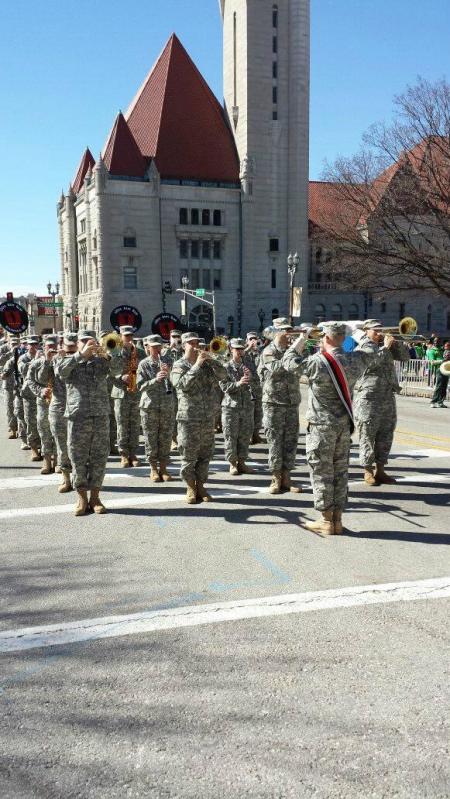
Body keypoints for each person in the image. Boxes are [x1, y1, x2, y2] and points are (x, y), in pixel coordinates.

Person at [282, 322, 397, 535]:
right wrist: (357, 332)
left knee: (322, 473)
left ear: (325, 338)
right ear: (343, 339)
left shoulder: (317, 362)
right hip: (343, 426)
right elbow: (371, 348)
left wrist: (302, 338)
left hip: (321, 428)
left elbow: (288, 361)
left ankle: (326, 520)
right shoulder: (354, 359)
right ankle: (337, 520)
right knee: (340, 472)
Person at [56, 331, 111, 515]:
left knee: (99, 457)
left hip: (100, 416)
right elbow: (61, 372)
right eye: (84, 341)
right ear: (77, 343)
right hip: (78, 416)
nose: (88, 344)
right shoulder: (68, 360)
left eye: (91, 341)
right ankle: (81, 497)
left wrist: (112, 354)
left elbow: (119, 370)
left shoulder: (102, 361)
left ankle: (95, 498)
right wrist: (81, 355)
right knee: (78, 457)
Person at [171, 331, 227, 504]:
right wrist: (196, 365)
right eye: (191, 343)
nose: (195, 346)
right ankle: (190, 486)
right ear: (184, 345)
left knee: (205, 455)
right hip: (188, 417)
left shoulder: (207, 365)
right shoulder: (179, 365)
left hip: (207, 416)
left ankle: (201, 485)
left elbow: (224, 376)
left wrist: (212, 360)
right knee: (188, 454)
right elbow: (182, 385)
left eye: (197, 343)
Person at [353, 319, 410, 485]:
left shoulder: (385, 346)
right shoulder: (363, 346)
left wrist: (397, 344)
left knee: (385, 434)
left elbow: (406, 358)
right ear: (366, 331)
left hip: (386, 396)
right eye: (375, 330)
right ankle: (367, 471)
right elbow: (371, 363)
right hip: (368, 398)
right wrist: (385, 347)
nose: (379, 333)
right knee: (367, 434)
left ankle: (381, 470)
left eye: (381, 330)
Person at [257, 317, 302, 494]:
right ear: (276, 332)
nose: (289, 333)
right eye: (285, 330)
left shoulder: (294, 351)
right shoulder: (268, 351)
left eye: (290, 330)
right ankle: (275, 478)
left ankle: (287, 476)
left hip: (291, 402)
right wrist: (293, 351)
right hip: (273, 402)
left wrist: (296, 351)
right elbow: (278, 368)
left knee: (290, 441)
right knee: (275, 442)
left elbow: (299, 369)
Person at [34, 332, 77, 492]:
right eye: (68, 347)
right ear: (62, 346)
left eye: (74, 347)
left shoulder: (82, 360)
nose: (70, 350)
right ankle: (66, 479)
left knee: (79, 446)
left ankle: (80, 479)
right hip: (59, 408)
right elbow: (42, 379)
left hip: (79, 409)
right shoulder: (55, 360)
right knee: (62, 445)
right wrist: (47, 361)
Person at [136, 334, 175, 482]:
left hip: (166, 405)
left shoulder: (169, 361)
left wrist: (169, 374)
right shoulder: (144, 364)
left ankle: (164, 469)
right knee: (151, 438)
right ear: (148, 347)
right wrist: (155, 380)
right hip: (150, 407)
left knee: (165, 438)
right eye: (154, 347)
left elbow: (177, 383)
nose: (157, 349)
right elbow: (140, 386)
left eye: (159, 346)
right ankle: (153, 469)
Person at [110, 325, 144, 467]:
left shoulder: (140, 352)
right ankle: (123, 454)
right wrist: (120, 376)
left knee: (135, 425)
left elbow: (146, 368)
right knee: (122, 425)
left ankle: (133, 454)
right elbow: (107, 372)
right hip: (120, 393)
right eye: (126, 336)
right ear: (120, 336)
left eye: (131, 336)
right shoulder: (114, 352)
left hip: (135, 392)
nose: (129, 338)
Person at [220, 338, 255, 475]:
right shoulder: (225, 367)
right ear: (231, 349)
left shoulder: (249, 365)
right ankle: (232, 463)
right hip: (231, 407)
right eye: (237, 349)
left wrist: (251, 377)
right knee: (231, 435)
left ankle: (242, 462)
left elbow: (259, 383)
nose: (240, 351)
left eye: (241, 349)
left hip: (246, 405)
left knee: (245, 435)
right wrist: (238, 384)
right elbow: (223, 386)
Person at [27, 336, 58, 475]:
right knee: (44, 430)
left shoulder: (62, 361)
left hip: (59, 402)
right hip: (44, 402)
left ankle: (58, 460)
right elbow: (32, 381)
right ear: (43, 347)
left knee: (59, 431)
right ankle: (47, 459)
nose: (51, 348)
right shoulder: (36, 363)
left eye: (53, 345)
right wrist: (40, 391)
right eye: (48, 346)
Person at [18, 336, 42, 461]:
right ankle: (34, 448)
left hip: (42, 393)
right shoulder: (23, 358)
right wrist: (36, 361)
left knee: (43, 423)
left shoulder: (43, 356)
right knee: (31, 422)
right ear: (27, 345)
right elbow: (23, 370)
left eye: (35, 344)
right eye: (30, 344)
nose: (33, 346)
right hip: (29, 395)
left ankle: (44, 448)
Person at [162, 330, 183, 450]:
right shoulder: (166, 351)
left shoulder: (184, 351)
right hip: (170, 387)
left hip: (181, 386)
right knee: (171, 414)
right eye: (173, 337)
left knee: (182, 413)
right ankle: (172, 439)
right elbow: (160, 359)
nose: (176, 339)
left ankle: (180, 438)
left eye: (177, 337)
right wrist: (170, 347)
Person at [0, 336, 21, 439]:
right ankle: (13, 429)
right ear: (8, 341)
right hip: (8, 383)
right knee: (10, 407)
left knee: (19, 408)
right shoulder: (3, 349)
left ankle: (21, 430)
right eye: (12, 343)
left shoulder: (22, 350)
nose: (14, 344)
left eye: (16, 342)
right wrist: (10, 353)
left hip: (19, 384)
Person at [245, 331, 263, 443]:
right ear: (246, 341)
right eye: (250, 339)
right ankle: (249, 435)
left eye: (254, 339)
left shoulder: (260, 352)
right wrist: (248, 348)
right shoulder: (243, 352)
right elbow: (240, 357)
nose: (253, 341)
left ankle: (256, 434)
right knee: (249, 413)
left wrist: (258, 349)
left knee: (258, 412)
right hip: (248, 387)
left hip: (259, 387)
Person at [430, 341, 450, 408]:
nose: (445, 347)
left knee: (444, 387)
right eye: (445, 346)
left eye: (447, 346)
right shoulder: (446, 352)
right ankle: (433, 401)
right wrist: (441, 361)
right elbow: (433, 362)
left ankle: (440, 402)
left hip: (446, 370)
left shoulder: (444, 350)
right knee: (439, 386)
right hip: (440, 370)